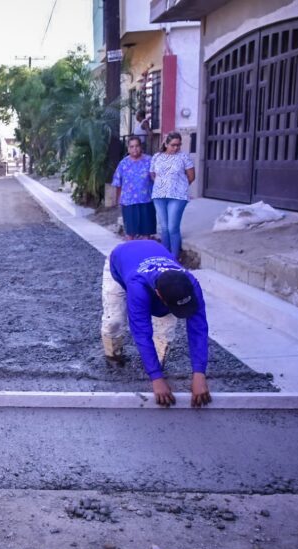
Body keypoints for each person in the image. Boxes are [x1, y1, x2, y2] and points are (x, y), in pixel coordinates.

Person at [101, 240, 211, 408]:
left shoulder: (190, 283)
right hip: (120, 262)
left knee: (165, 333)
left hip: (153, 259)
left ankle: (158, 365)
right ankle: (113, 357)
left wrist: (199, 373)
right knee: (114, 321)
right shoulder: (137, 287)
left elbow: (199, 329)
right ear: (158, 294)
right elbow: (141, 332)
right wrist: (156, 379)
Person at [150, 131, 195, 258]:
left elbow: (191, 176)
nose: (176, 148)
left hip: (178, 196)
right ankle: (165, 256)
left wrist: (179, 187)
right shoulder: (157, 157)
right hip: (159, 196)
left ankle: (174, 258)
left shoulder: (184, 157)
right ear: (166, 143)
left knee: (172, 228)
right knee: (164, 228)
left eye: (178, 145)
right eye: (173, 145)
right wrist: (161, 185)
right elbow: (152, 174)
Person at [111, 136, 156, 240]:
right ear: (128, 149)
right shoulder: (123, 164)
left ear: (141, 147)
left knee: (146, 232)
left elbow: (157, 179)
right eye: (131, 146)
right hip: (129, 203)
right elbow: (118, 183)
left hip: (146, 201)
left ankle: (144, 255)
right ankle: (131, 255)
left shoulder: (149, 161)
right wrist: (118, 200)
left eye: (137, 146)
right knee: (130, 233)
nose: (134, 149)